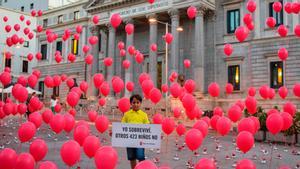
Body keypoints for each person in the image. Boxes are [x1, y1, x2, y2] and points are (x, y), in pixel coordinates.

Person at [121, 94, 150, 169]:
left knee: (140, 157)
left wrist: (156, 134)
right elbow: (121, 127)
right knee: (132, 157)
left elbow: (148, 127)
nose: (136, 104)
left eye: (137, 102)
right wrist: (114, 133)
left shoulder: (144, 115)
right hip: (129, 140)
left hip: (140, 141)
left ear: (140, 103)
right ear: (131, 103)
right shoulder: (127, 114)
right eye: (134, 102)